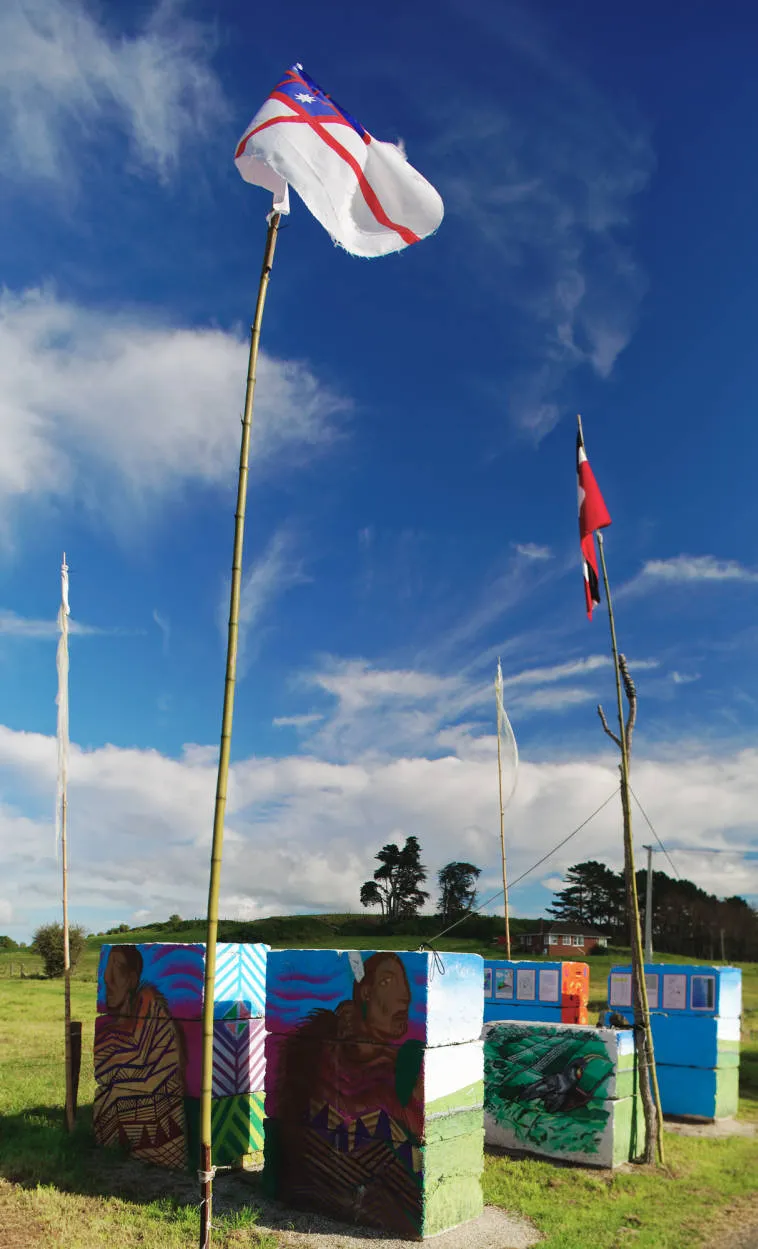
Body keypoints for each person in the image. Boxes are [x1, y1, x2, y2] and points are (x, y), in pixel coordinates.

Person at [268, 952, 425, 1237]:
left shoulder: (404, 1062)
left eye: (403, 984)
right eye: (388, 982)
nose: (403, 997)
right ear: (365, 993)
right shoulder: (322, 1052)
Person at [93, 945, 187, 1169]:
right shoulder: (112, 1027)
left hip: (161, 1124)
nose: (108, 978)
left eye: (118, 969)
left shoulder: (150, 1005)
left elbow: (153, 1069)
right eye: (108, 968)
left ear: (133, 979)